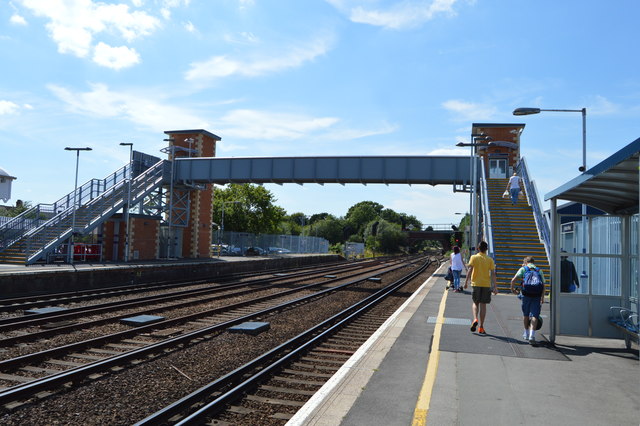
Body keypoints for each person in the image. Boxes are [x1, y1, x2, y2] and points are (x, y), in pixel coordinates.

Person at [464, 241, 497, 335]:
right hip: (486, 284)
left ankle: (475, 319)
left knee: (475, 303)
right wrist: (495, 287)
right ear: (486, 249)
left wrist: (466, 282)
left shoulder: (474, 257)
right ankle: (481, 327)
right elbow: (493, 274)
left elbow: (470, 270)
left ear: (478, 248)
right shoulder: (490, 259)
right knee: (483, 305)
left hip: (476, 284)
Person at [510, 256, 545, 345]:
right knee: (535, 315)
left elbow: (513, 280)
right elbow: (543, 285)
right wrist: (542, 297)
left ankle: (526, 333)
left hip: (526, 294)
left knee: (526, 314)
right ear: (533, 262)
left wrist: (513, 290)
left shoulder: (523, 269)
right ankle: (532, 335)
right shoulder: (539, 270)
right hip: (537, 295)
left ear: (525, 262)